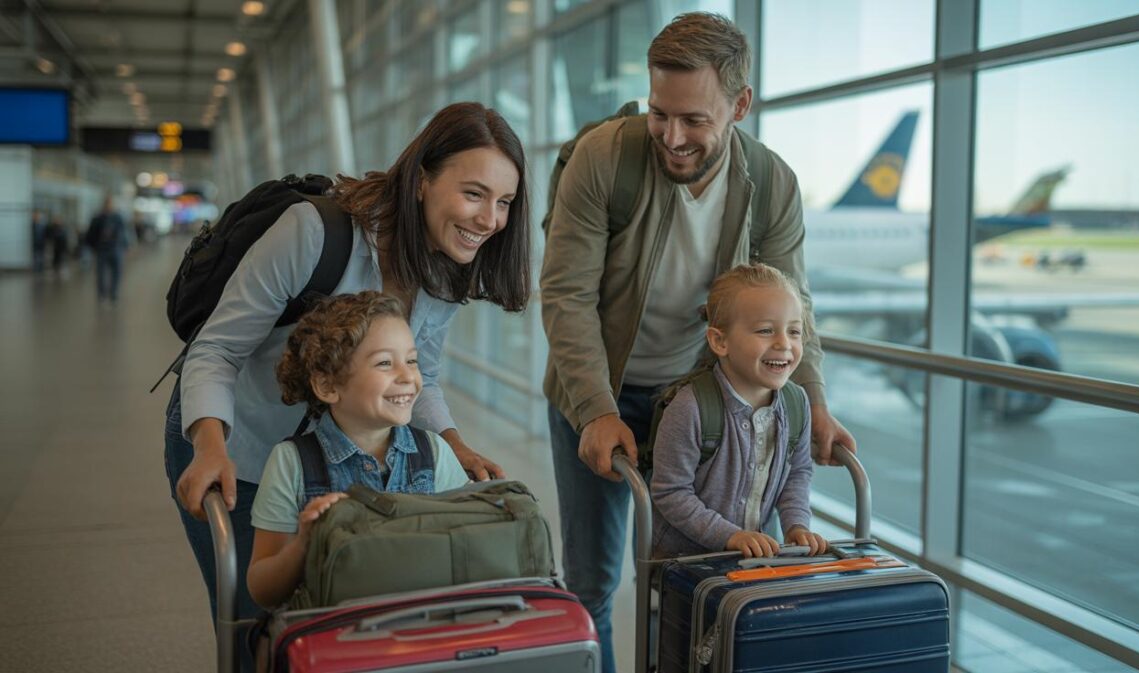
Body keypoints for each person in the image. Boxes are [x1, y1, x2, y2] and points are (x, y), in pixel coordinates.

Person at [539, 13, 855, 670]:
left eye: (694, 120)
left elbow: (792, 306)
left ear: (740, 105)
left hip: (699, 404)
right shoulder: (604, 157)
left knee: (709, 571)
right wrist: (595, 409)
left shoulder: (771, 183)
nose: (673, 137)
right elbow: (566, 294)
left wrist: (816, 403)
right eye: (660, 114)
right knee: (594, 580)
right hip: (595, 388)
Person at [165, 102, 529, 664]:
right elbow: (216, 349)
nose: (489, 220)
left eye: (504, 202)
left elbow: (425, 376)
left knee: (343, 630)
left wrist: (453, 443)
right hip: (237, 442)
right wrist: (210, 446)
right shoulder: (315, 233)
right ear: (422, 180)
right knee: (257, 629)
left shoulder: (447, 266)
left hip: (342, 458)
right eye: (474, 194)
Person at [247, 291, 469, 608]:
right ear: (327, 386)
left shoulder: (435, 453)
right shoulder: (292, 463)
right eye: (384, 363)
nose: (408, 376)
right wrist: (304, 543)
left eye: (411, 360)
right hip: (335, 630)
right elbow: (263, 590)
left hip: (423, 626)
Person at [650, 264, 828, 560]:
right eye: (765, 330)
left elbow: (797, 474)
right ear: (720, 341)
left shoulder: (797, 403)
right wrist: (730, 536)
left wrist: (796, 525)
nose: (784, 343)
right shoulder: (690, 408)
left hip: (755, 561)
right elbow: (671, 492)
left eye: (794, 331)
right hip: (686, 566)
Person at [85, 196, 130, 302]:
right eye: (107, 204)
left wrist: (126, 245)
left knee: (117, 273)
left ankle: (113, 293)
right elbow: (90, 234)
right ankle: (102, 295)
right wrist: (93, 247)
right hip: (102, 250)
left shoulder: (118, 218)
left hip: (115, 249)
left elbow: (123, 232)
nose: (109, 206)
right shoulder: (97, 219)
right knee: (101, 274)